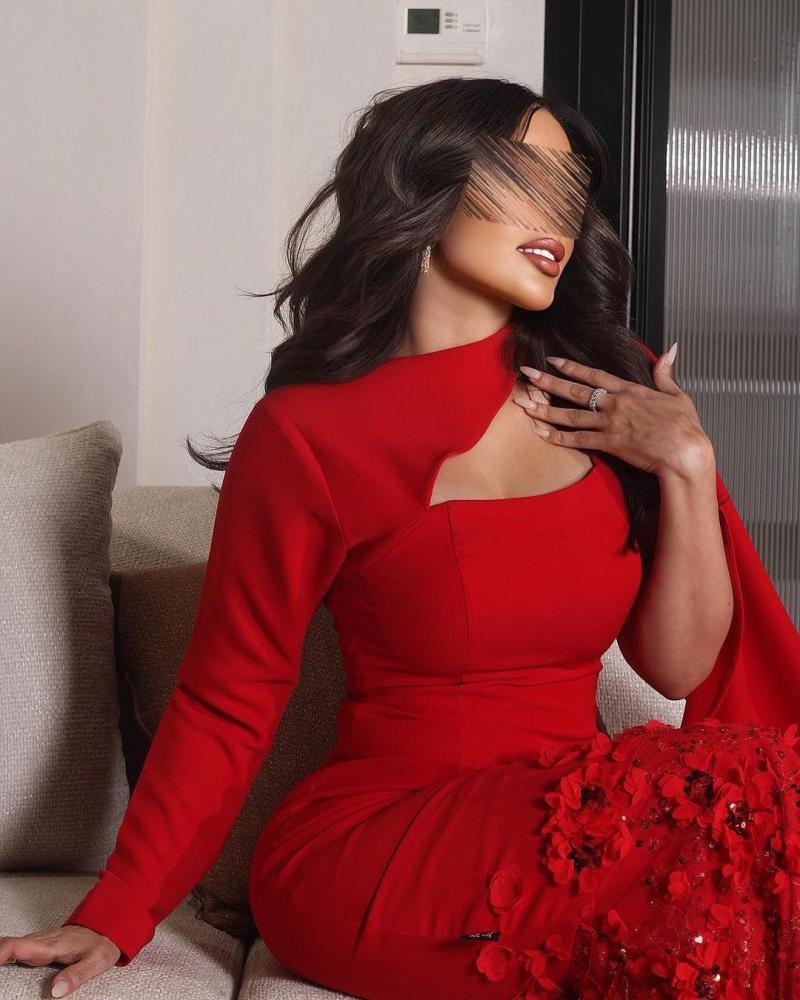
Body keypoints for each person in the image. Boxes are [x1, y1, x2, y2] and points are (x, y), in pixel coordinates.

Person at [2, 76, 800, 999]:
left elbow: (679, 666)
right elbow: (229, 700)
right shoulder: (310, 433)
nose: (560, 213)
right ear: (423, 184)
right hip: (378, 849)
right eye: (526, 176)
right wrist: (117, 911)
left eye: (572, 189)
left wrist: (688, 465)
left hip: (582, 823)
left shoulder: (607, 401)